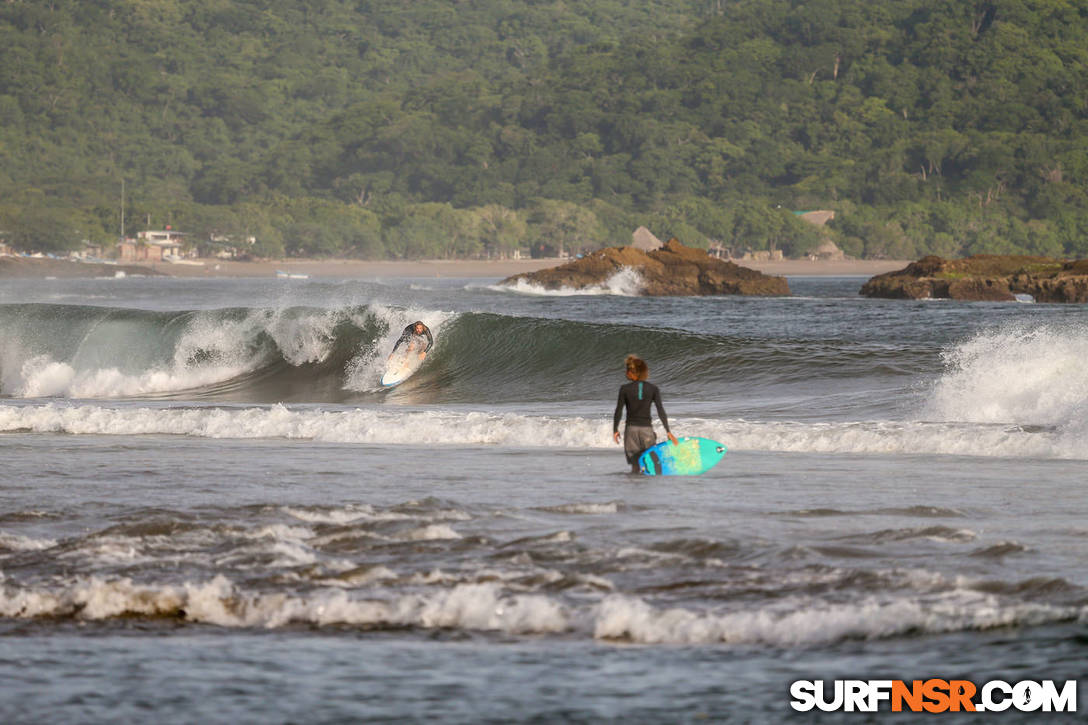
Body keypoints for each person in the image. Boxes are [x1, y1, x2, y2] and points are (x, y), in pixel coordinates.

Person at [613, 354, 679, 473]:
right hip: (647, 431)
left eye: (626, 370)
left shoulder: (624, 389)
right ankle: (648, 489)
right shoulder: (653, 388)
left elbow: (618, 410)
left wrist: (615, 430)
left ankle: (635, 488)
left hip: (631, 430)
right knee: (651, 464)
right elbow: (660, 410)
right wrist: (668, 431)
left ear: (631, 372)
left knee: (635, 466)